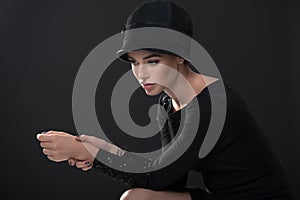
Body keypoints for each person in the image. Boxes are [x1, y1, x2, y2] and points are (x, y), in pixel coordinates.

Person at [36, 0, 296, 200]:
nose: (141, 73)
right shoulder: (167, 102)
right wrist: (107, 150)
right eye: (135, 62)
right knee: (137, 197)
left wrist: (92, 155)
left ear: (180, 55)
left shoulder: (211, 105)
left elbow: (157, 176)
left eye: (152, 61)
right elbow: (171, 179)